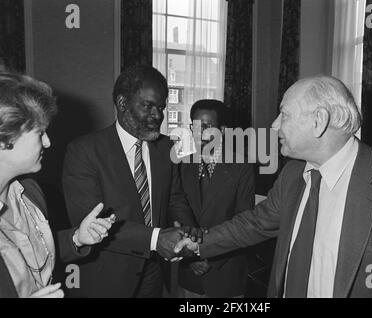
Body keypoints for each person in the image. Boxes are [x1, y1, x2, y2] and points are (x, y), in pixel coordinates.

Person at [175, 75, 372, 298]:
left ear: (318, 121)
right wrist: (195, 244)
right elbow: (253, 224)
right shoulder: (293, 174)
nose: (273, 125)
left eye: (284, 115)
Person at [62, 65, 200, 298]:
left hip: (155, 273)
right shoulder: (83, 151)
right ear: (123, 103)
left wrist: (187, 229)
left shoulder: (166, 148)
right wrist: (156, 240)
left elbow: (175, 198)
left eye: (161, 107)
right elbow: (92, 222)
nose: (158, 115)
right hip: (107, 278)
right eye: (148, 105)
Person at [0, 71, 115, 298]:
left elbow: (32, 254)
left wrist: (77, 238)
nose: (48, 142)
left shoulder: (30, 192)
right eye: (39, 133)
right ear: (5, 138)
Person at [177, 100, 254, 298]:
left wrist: (207, 256)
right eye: (195, 126)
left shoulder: (241, 167)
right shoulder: (181, 165)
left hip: (225, 271)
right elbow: (176, 213)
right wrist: (191, 258)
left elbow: (243, 222)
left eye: (208, 127)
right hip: (189, 272)